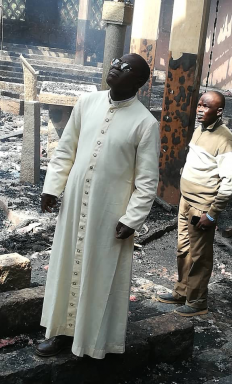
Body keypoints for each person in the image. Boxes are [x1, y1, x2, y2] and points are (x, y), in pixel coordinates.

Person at [36, 54, 160, 359]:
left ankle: (93, 341)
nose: (116, 67)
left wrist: (132, 218)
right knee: (66, 266)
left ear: (139, 82)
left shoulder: (145, 124)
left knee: (100, 274)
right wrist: (52, 187)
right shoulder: (86, 103)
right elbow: (66, 150)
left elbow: (147, 180)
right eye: (116, 62)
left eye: (126, 67)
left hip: (110, 211)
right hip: (76, 203)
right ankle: (60, 333)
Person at [158, 91, 232, 317]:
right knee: (183, 249)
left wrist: (212, 214)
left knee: (199, 255)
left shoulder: (226, 140)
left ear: (219, 111)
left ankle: (197, 302)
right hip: (186, 202)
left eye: (206, 106)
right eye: (200, 105)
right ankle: (182, 292)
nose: (200, 110)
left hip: (202, 207)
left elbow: (228, 183)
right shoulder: (199, 130)